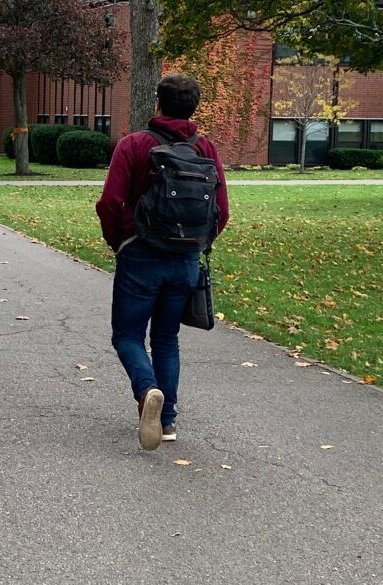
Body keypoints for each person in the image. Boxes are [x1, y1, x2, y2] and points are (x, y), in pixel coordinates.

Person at [95, 74, 229, 450]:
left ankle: (147, 391)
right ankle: (167, 420)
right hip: (186, 260)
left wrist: (119, 241)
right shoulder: (206, 149)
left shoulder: (134, 145)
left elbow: (110, 202)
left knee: (127, 335)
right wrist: (196, 244)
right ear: (194, 107)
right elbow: (222, 211)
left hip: (140, 253)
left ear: (157, 103)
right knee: (167, 339)